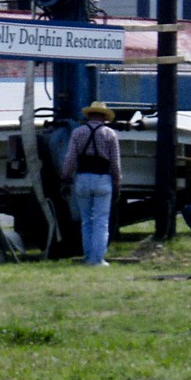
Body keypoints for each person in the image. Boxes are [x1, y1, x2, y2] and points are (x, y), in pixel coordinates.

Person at [61, 101, 122, 266]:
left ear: (89, 115)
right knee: (101, 221)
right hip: (102, 178)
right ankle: (98, 258)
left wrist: (66, 178)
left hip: (82, 178)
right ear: (104, 117)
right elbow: (115, 163)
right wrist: (117, 183)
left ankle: (88, 256)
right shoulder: (110, 134)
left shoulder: (78, 132)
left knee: (86, 220)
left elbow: (70, 158)